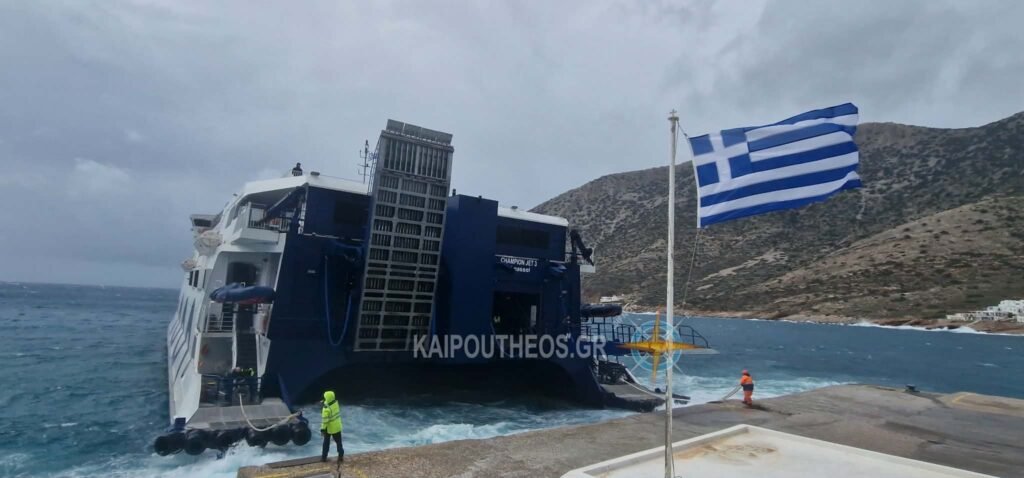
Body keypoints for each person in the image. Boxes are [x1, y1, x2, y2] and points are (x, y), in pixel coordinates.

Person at [320, 390, 344, 463]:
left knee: (326, 443)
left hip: (329, 428)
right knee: (339, 442)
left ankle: (324, 458)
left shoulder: (326, 409)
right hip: (337, 426)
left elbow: (325, 421)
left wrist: (322, 429)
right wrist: (324, 402)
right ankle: (341, 456)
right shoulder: (336, 403)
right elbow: (330, 402)